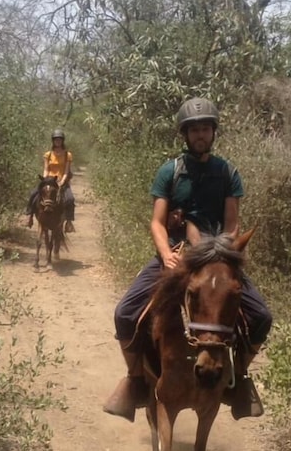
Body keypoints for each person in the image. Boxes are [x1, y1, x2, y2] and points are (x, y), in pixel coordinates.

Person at [102, 97, 272, 421]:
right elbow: (157, 221)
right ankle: (136, 379)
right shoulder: (171, 171)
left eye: (205, 128)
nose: (200, 135)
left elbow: (233, 223)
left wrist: (223, 252)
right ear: (185, 134)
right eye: (194, 129)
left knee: (261, 316)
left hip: (217, 258)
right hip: (176, 255)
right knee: (125, 313)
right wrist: (166, 255)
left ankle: (241, 380)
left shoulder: (227, 173)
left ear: (213, 132)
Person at [23, 129, 76, 232]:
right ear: (53, 141)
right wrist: (44, 180)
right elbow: (46, 169)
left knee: (70, 199)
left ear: (62, 141)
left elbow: (66, 171)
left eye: (60, 140)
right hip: (49, 181)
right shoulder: (48, 154)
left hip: (61, 181)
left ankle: (69, 222)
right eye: (56, 140)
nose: (58, 142)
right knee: (33, 194)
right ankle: (29, 216)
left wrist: (62, 181)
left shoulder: (67, 155)